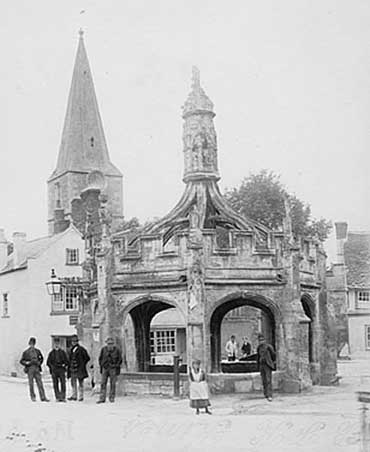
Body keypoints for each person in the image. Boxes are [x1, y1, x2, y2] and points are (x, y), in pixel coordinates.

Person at [20, 337, 49, 402]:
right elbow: (21, 361)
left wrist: (39, 363)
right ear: (29, 344)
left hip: (37, 368)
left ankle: (43, 397)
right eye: (31, 343)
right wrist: (27, 363)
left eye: (33, 343)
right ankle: (33, 397)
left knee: (40, 383)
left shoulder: (38, 351)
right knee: (31, 384)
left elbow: (41, 358)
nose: (32, 345)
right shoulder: (26, 352)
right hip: (30, 368)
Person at [96, 337, 122, 403]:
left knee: (113, 384)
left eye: (111, 344)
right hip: (105, 368)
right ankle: (102, 398)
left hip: (113, 368)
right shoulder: (103, 349)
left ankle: (112, 397)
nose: (110, 345)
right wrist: (102, 365)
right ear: (106, 344)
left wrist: (116, 365)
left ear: (113, 344)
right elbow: (100, 358)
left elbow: (120, 359)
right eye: (108, 344)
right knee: (103, 383)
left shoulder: (117, 350)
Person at [67, 335, 90, 401]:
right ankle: (74, 395)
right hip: (72, 369)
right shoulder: (71, 350)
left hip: (79, 369)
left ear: (77, 342)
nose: (74, 342)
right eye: (73, 341)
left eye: (75, 341)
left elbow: (87, 358)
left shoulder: (82, 349)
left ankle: (81, 396)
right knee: (73, 383)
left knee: (80, 383)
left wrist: (82, 364)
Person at [46, 338, 69, 402]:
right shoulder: (51, 353)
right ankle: (57, 397)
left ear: (59, 344)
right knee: (55, 384)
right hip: (54, 370)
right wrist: (52, 367)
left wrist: (64, 365)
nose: (56, 345)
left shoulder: (63, 352)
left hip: (61, 369)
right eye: (55, 343)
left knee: (63, 383)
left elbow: (67, 361)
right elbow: (48, 362)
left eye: (57, 343)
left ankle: (63, 397)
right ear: (53, 344)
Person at [256, 333, 276, 402]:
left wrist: (271, 362)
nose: (261, 341)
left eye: (262, 340)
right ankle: (266, 393)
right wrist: (258, 364)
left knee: (268, 380)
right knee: (264, 380)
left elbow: (273, 354)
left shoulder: (268, 347)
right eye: (260, 340)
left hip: (267, 365)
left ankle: (270, 395)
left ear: (264, 340)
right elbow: (258, 356)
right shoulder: (259, 348)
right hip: (262, 365)